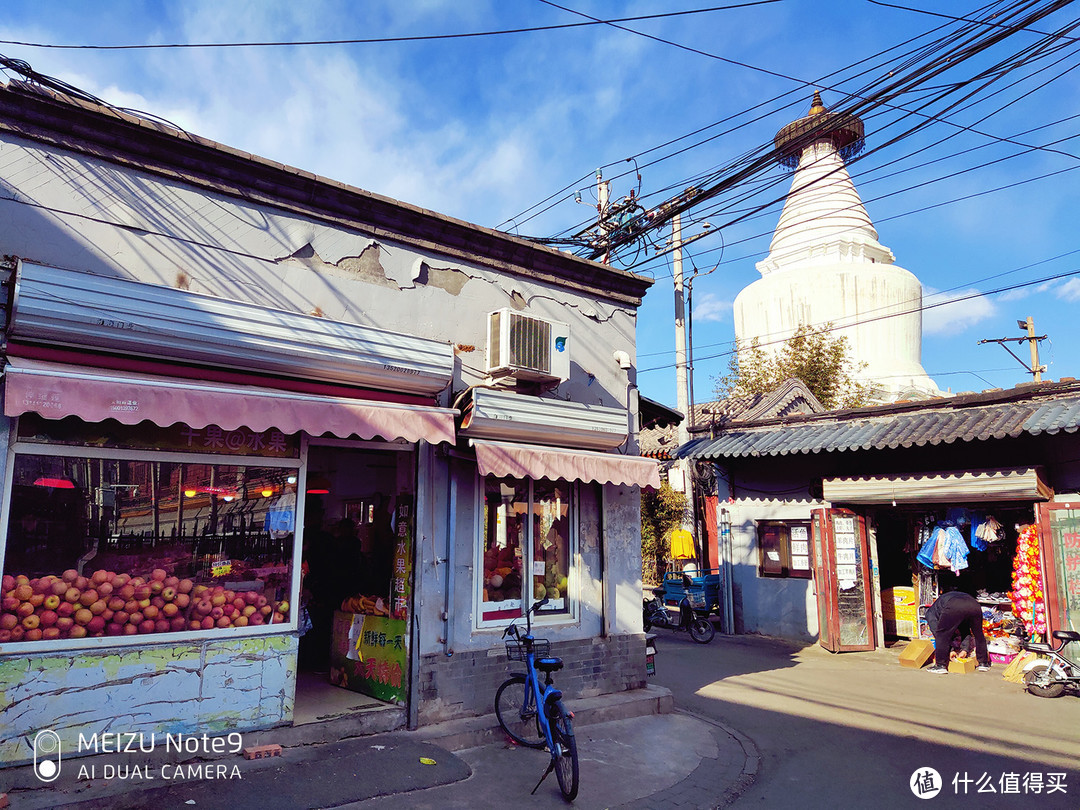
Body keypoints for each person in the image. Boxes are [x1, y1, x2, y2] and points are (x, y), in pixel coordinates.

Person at [924, 589, 990, 674]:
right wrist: (964, 650)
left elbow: (939, 635)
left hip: (954, 604)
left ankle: (940, 665)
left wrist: (950, 651)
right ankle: (983, 663)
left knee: (942, 634)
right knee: (978, 634)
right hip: (974, 604)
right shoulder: (944, 602)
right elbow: (965, 629)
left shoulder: (930, 614)